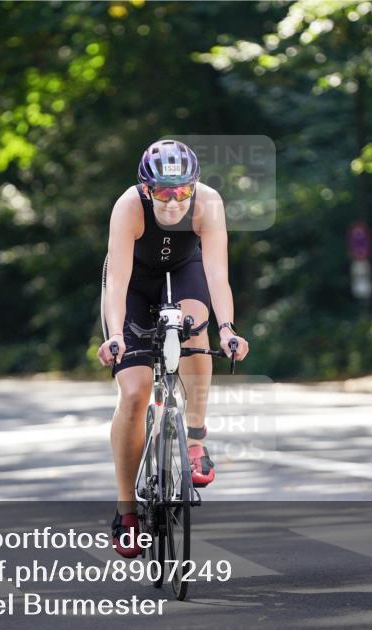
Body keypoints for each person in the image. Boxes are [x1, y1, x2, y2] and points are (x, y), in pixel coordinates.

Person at [96, 139, 249, 557]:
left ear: (194, 187)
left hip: (185, 273)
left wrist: (228, 328)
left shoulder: (209, 204)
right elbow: (118, 279)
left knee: (194, 330)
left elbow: (218, 274)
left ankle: (195, 436)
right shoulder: (128, 207)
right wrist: (115, 335)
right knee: (134, 392)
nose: (171, 201)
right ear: (146, 189)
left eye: (181, 191)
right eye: (162, 192)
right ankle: (127, 511)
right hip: (134, 285)